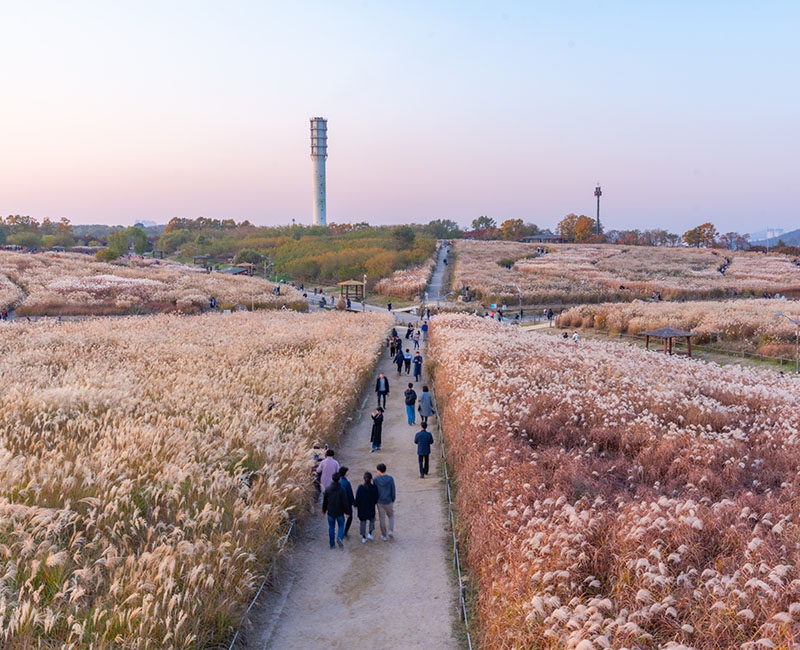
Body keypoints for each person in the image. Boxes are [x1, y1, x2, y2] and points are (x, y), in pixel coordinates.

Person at [322, 472, 347, 549]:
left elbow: (325, 501)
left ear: (332, 479)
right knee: (341, 525)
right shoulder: (342, 490)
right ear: (339, 479)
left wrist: (324, 510)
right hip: (340, 512)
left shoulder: (328, 489)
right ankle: (339, 537)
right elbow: (345, 502)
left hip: (331, 512)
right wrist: (347, 512)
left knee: (331, 527)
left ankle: (332, 544)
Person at [374, 463, 396, 540]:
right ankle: (391, 530)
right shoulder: (390, 479)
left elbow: (375, 490)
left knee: (382, 519)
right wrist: (393, 498)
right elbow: (393, 490)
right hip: (388, 500)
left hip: (380, 502)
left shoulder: (376, 480)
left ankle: (384, 536)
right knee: (391, 516)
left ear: (379, 471)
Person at [355, 471, 379, 543]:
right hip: (370, 507)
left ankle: (363, 537)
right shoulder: (374, 488)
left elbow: (357, 498)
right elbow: (376, 498)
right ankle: (370, 533)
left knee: (363, 522)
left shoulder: (360, 488)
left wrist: (356, 505)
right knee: (372, 520)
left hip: (362, 508)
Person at [339, 466, 355, 537]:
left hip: (338, 502)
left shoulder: (338, 481)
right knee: (350, 517)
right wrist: (353, 502)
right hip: (347, 503)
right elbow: (350, 494)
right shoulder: (347, 483)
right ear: (345, 474)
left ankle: (341, 531)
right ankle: (345, 531)